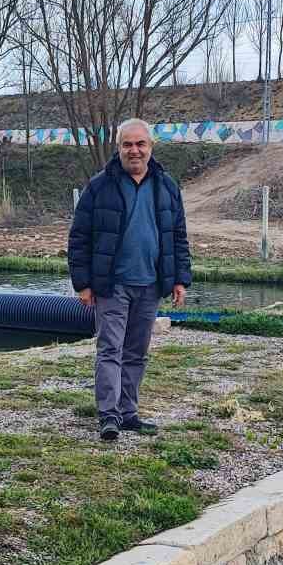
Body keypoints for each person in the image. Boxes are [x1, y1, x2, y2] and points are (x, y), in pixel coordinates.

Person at [68, 118, 192, 442]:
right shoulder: (99, 187)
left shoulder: (166, 186)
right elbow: (79, 237)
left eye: (140, 144)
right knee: (110, 348)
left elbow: (178, 236)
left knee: (137, 351)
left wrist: (180, 278)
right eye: (127, 144)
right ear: (118, 147)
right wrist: (82, 283)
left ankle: (129, 413)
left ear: (151, 147)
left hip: (150, 283)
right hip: (112, 284)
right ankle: (108, 416)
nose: (134, 150)